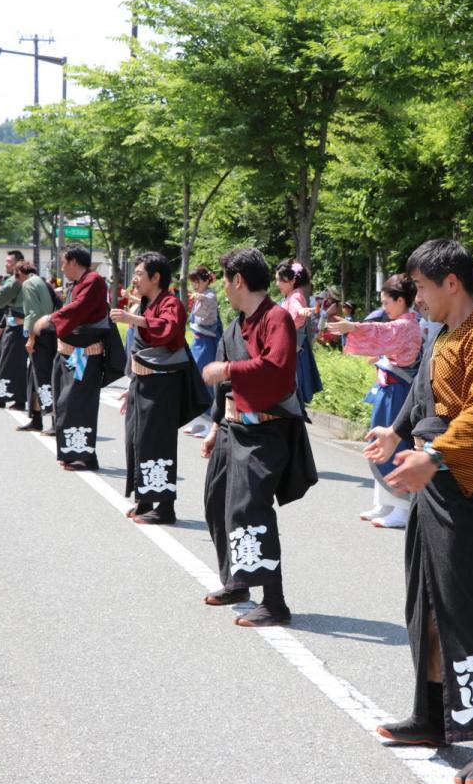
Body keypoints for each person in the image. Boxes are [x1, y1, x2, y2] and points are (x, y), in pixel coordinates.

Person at [365, 239, 473, 784]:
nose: (415, 298)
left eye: (420, 287)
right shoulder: (446, 335)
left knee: (467, 609)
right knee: (426, 599)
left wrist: (434, 456)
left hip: (465, 484)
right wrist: (395, 433)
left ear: (451, 284)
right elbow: (423, 398)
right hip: (432, 481)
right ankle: (432, 715)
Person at [200, 247, 317, 626]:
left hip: (268, 429)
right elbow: (225, 389)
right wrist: (215, 427)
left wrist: (229, 369)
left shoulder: (276, 318)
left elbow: (278, 369)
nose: (224, 287)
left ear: (238, 281)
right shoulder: (236, 323)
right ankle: (237, 580)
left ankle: (275, 601)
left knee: (251, 509)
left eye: (225, 280)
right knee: (217, 502)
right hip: (233, 427)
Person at [110, 252, 208, 525]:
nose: (135, 279)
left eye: (140, 274)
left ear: (156, 277)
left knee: (158, 442)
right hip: (143, 383)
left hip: (164, 385)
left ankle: (164, 507)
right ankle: (144, 499)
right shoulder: (143, 304)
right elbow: (138, 351)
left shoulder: (171, 303)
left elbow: (168, 330)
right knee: (136, 438)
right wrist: (132, 386)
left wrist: (134, 320)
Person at [327, 273, 423, 529]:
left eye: (386, 302)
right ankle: (384, 501)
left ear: (401, 301)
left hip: (398, 394)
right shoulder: (405, 323)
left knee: (396, 447)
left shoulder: (406, 325)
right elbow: (385, 337)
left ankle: (401, 507)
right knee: (379, 445)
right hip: (389, 392)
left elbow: (383, 332)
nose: (384, 307)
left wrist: (353, 327)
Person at [33, 246, 117, 471]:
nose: (61, 268)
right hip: (68, 353)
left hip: (85, 355)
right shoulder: (77, 284)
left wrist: (51, 318)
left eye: (63, 263)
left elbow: (79, 309)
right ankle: (72, 452)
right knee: (64, 402)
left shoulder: (94, 280)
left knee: (79, 403)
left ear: (73, 262)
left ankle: (85, 456)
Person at [15, 262, 57, 432]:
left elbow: (33, 313)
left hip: (41, 334)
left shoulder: (28, 284)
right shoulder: (43, 282)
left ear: (20, 273)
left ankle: (54, 420)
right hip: (51, 332)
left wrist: (31, 338)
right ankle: (37, 418)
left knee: (43, 377)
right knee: (34, 378)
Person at [0, 251, 28, 410]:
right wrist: (1, 326)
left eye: (9, 261)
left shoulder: (18, 280)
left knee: (15, 362)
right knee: (5, 359)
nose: (6, 264)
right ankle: (0, 396)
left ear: (18, 263)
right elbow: (8, 305)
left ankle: (18, 399)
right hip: (12, 321)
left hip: (21, 324)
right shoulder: (13, 279)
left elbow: (2, 296)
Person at [274, 260, 323, 404]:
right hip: (291, 348)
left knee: (293, 393)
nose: (277, 284)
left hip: (294, 350)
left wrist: (302, 311)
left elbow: (297, 309)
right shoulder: (292, 295)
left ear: (292, 280)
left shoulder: (295, 296)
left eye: (279, 280)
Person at [184, 265, 221, 438]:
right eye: (193, 282)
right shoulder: (202, 295)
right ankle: (199, 421)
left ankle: (209, 422)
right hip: (198, 343)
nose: (194, 285)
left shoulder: (210, 295)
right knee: (194, 381)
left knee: (205, 382)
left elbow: (209, 303)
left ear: (206, 280)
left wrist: (201, 298)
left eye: (197, 281)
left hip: (206, 344)